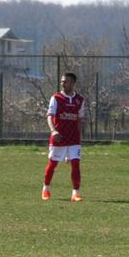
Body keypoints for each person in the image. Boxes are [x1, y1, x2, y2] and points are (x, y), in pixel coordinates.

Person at [42, 72, 86, 202]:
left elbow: (79, 120)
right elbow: (49, 116)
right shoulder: (56, 98)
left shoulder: (80, 100)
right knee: (53, 164)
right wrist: (53, 131)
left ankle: (75, 193)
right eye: (62, 81)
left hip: (74, 139)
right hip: (59, 137)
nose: (62, 83)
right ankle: (46, 189)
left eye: (65, 81)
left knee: (75, 164)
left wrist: (79, 137)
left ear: (72, 83)